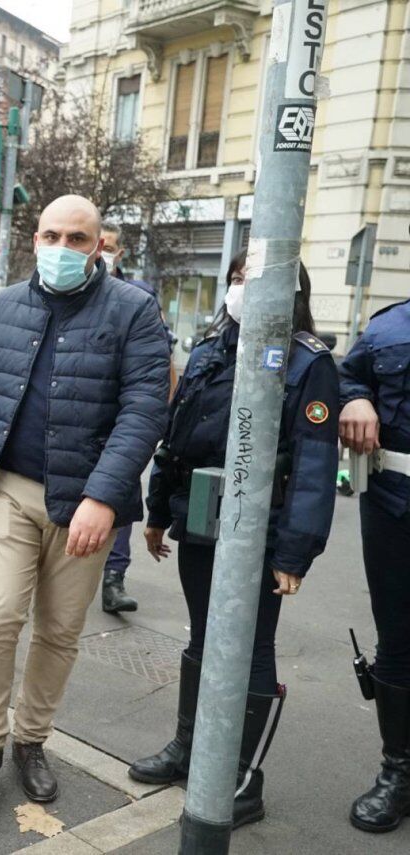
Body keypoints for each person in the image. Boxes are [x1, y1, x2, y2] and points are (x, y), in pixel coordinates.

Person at [0, 195, 170, 808]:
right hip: (8, 488)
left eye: (78, 239)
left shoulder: (134, 311)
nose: (62, 249)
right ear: (34, 238)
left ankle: (31, 741)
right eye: (52, 236)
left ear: (99, 246)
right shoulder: (4, 308)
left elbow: (145, 410)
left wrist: (103, 496)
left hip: (85, 503)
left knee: (60, 630)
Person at [131, 252, 338, 829]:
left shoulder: (307, 363)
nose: (245, 290)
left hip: (263, 531)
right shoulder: (209, 349)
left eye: (260, 282)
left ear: (294, 293)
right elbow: (176, 437)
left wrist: (297, 550)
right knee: (203, 635)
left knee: (250, 648)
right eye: (239, 279)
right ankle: (190, 750)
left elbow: (317, 464)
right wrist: (155, 510)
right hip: (200, 518)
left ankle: (242, 777)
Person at [339, 291, 410, 834]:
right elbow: (345, 375)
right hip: (394, 505)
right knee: (398, 641)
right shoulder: (390, 325)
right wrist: (355, 398)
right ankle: (398, 774)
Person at [97, 221, 176, 615]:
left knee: (118, 495)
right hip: (79, 418)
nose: (102, 251)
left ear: (120, 252)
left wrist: (157, 417)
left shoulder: (140, 296)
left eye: (108, 246)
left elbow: (164, 361)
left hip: (122, 420)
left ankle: (114, 578)